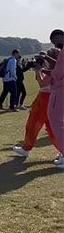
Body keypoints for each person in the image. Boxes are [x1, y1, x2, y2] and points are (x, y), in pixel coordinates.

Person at [12, 52, 62, 161]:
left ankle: (26, 148)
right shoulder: (57, 69)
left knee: (33, 123)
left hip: (45, 98)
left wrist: (38, 70)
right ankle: (62, 150)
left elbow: (43, 84)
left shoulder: (54, 70)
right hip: (50, 97)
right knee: (52, 128)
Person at [46, 30, 64, 170]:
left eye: (55, 41)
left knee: (55, 120)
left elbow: (58, 73)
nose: (55, 46)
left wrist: (43, 69)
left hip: (60, 90)